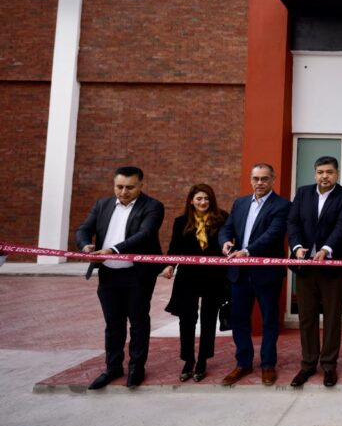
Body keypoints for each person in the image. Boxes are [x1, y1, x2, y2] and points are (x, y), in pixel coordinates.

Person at [75, 166, 165, 389]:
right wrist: (85, 246)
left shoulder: (153, 206)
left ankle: (136, 368)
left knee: (138, 322)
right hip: (108, 274)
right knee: (113, 323)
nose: (124, 192)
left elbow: (144, 234)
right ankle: (113, 367)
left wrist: (113, 250)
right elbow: (84, 228)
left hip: (138, 274)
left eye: (130, 187)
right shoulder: (102, 204)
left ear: (141, 185)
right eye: (119, 186)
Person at [286, 156, 342, 388]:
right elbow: (293, 222)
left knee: (332, 317)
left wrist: (326, 249)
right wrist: (296, 247)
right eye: (320, 172)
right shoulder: (303, 193)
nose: (324, 176)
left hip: (332, 266)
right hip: (305, 266)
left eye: (329, 172)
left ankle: (329, 365)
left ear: (337, 174)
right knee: (306, 317)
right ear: (315, 174)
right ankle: (308, 364)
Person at [218, 163, 291, 387]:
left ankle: (268, 364)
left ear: (273, 180)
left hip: (266, 273)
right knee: (239, 319)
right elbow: (227, 228)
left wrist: (247, 251)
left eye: (264, 179)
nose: (259, 183)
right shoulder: (240, 203)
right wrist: (225, 242)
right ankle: (243, 363)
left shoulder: (282, 205)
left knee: (270, 320)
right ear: (251, 180)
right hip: (239, 273)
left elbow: (273, 234)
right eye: (256, 178)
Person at [161, 184, 229, 383]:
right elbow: (174, 248)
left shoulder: (222, 218)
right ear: (191, 201)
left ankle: (202, 360)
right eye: (199, 198)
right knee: (187, 318)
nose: (203, 202)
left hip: (214, 276)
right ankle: (188, 359)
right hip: (188, 276)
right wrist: (169, 265)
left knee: (209, 318)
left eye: (206, 198)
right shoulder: (181, 222)